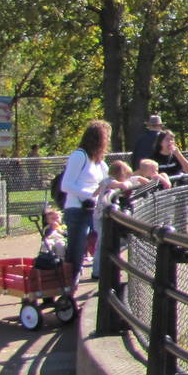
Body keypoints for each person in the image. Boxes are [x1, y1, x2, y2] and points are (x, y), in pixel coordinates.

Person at [60, 119, 111, 280]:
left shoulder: (99, 162)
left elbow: (107, 181)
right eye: (106, 137)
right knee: (77, 251)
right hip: (77, 210)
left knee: (103, 244)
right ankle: (69, 290)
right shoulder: (79, 156)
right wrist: (90, 196)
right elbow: (66, 185)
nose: (108, 141)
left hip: (94, 211)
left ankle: (98, 275)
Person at [90, 161, 134, 279]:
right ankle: (97, 271)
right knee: (102, 243)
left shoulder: (105, 182)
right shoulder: (110, 181)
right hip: (102, 217)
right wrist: (128, 184)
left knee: (108, 242)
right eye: (126, 176)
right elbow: (122, 186)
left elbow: (95, 192)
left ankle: (106, 268)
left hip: (101, 216)